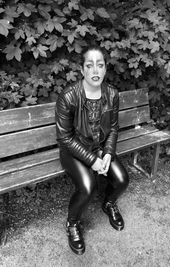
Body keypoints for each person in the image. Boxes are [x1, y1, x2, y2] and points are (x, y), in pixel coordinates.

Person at [55, 45, 129, 255]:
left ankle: (109, 203)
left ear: (105, 69)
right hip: (73, 150)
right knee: (88, 188)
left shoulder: (112, 94)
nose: (95, 71)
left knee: (123, 180)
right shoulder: (69, 96)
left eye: (100, 65)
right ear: (82, 70)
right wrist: (92, 160)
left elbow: (113, 128)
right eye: (90, 65)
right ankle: (72, 223)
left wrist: (107, 153)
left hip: (100, 148)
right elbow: (64, 137)